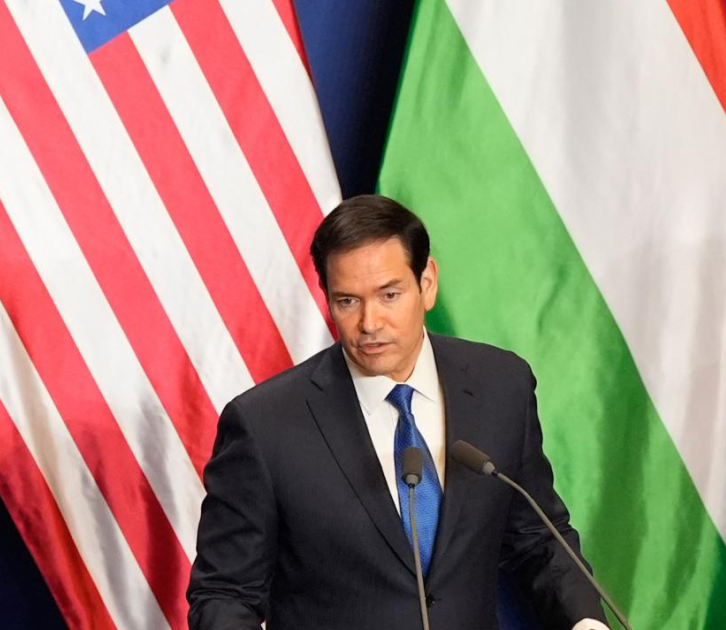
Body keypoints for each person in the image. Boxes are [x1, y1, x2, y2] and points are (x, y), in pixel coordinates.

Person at [188, 195, 610, 630]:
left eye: (389, 295)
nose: (370, 323)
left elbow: (538, 538)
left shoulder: (500, 386)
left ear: (427, 283)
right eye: (347, 301)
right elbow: (224, 594)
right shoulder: (265, 424)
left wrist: (586, 622)